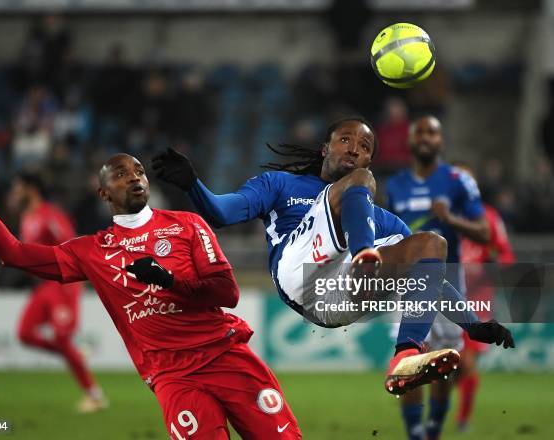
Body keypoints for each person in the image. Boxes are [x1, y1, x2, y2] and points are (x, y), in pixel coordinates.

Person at [151, 116, 514, 398]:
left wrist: (473, 324)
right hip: (299, 275)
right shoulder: (281, 185)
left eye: (365, 146)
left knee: (431, 245)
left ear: (371, 156)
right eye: (346, 140)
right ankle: (364, 256)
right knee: (361, 185)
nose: (355, 149)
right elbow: (221, 214)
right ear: (325, 148)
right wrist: (192, 184)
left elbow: (430, 277)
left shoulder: (375, 214)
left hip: (340, 298)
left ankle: (404, 355)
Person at [0, 149, 301, 439]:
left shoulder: (187, 224)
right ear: (104, 193)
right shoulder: (90, 251)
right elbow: (14, 253)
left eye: (138, 171)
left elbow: (228, 293)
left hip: (225, 355)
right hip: (172, 376)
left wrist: (168, 281)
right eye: (121, 174)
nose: (134, 177)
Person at [386, 115, 491, 440]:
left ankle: (433, 430)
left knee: (445, 366)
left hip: (449, 283)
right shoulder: (395, 185)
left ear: (441, 141)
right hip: (407, 282)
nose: (426, 138)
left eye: (432, 133)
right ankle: (416, 433)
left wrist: (451, 219)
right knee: (411, 363)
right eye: (420, 133)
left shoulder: (459, 180)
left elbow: (484, 232)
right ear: (411, 141)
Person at [8, 171, 105, 413]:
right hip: (44, 286)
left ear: (31, 188)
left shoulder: (50, 215)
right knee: (24, 334)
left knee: (62, 338)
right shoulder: (26, 217)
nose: (14, 192)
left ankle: (95, 395)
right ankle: (74, 354)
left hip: (63, 284)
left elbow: (71, 246)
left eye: (18, 187)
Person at [455, 162, 516, 433]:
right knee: (446, 368)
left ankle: (463, 419)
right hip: (441, 301)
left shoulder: (489, 217)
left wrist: (491, 265)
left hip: (477, 302)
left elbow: (506, 256)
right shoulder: (438, 216)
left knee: (466, 363)